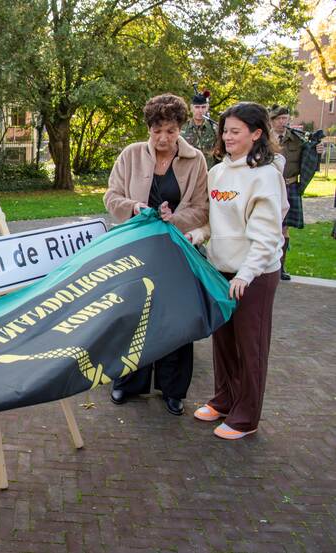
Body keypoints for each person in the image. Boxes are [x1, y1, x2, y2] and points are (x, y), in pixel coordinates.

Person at [104, 93, 209, 416]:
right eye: (157, 131)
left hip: (177, 249)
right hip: (138, 247)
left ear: (180, 128)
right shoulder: (130, 155)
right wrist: (136, 208)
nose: (163, 138)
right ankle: (127, 382)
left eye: (171, 131)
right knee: (134, 315)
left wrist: (172, 219)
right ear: (148, 128)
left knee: (176, 317)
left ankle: (173, 389)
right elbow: (111, 196)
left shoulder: (197, 160)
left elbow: (202, 208)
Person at [187, 102, 287, 440]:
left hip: (254, 276)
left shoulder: (265, 176)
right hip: (221, 271)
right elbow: (213, 223)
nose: (227, 137)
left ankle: (246, 417)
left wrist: (246, 274)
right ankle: (225, 399)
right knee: (224, 341)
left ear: (256, 134)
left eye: (235, 132)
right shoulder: (217, 173)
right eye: (225, 131)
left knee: (250, 345)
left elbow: (267, 235)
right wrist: (197, 234)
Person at [269, 106, 325, 280]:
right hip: (268, 187)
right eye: (279, 118)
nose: (283, 122)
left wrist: (318, 151)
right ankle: (266, 267)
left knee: (284, 229)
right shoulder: (262, 138)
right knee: (268, 227)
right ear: (272, 120)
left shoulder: (297, 140)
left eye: (285, 118)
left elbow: (309, 159)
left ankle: (281, 268)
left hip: (289, 186)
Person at [182, 88, 217, 168]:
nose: (200, 111)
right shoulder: (182, 128)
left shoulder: (214, 128)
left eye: (203, 107)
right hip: (188, 172)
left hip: (208, 172)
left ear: (207, 107)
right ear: (191, 108)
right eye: (197, 107)